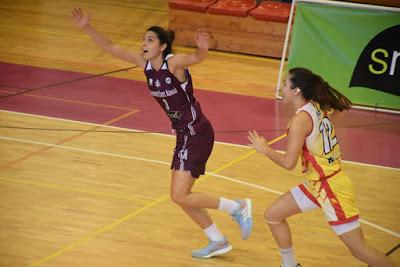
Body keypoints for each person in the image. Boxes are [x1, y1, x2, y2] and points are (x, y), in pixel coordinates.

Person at [70, 8, 253, 258]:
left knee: (179, 194)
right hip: (183, 134)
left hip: (196, 132)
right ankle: (217, 240)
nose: (144, 43)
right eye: (143, 39)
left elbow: (195, 58)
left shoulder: (173, 63)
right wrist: (86, 27)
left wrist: (203, 49)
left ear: (163, 46)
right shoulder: (145, 65)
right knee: (181, 197)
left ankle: (237, 207)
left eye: (150, 40)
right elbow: (111, 47)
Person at [247, 67, 394, 267]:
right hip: (317, 183)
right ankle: (289, 264)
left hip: (330, 188)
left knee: (360, 251)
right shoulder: (314, 106)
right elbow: (341, 107)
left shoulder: (300, 120)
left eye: (285, 84)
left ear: (296, 90)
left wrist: (265, 149)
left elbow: (288, 163)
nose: (282, 87)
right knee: (273, 215)